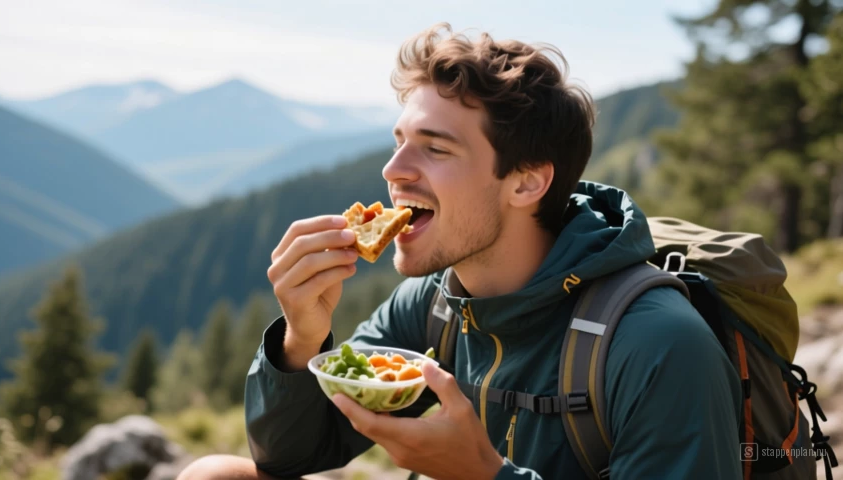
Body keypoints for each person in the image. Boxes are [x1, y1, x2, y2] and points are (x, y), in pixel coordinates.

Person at [178, 22, 743, 480]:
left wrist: (485, 476)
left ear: (526, 183)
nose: (392, 171)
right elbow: (291, 457)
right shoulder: (434, 302)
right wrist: (301, 339)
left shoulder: (657, 344)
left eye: (435, 148)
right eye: (400, 142)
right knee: (213, 476)